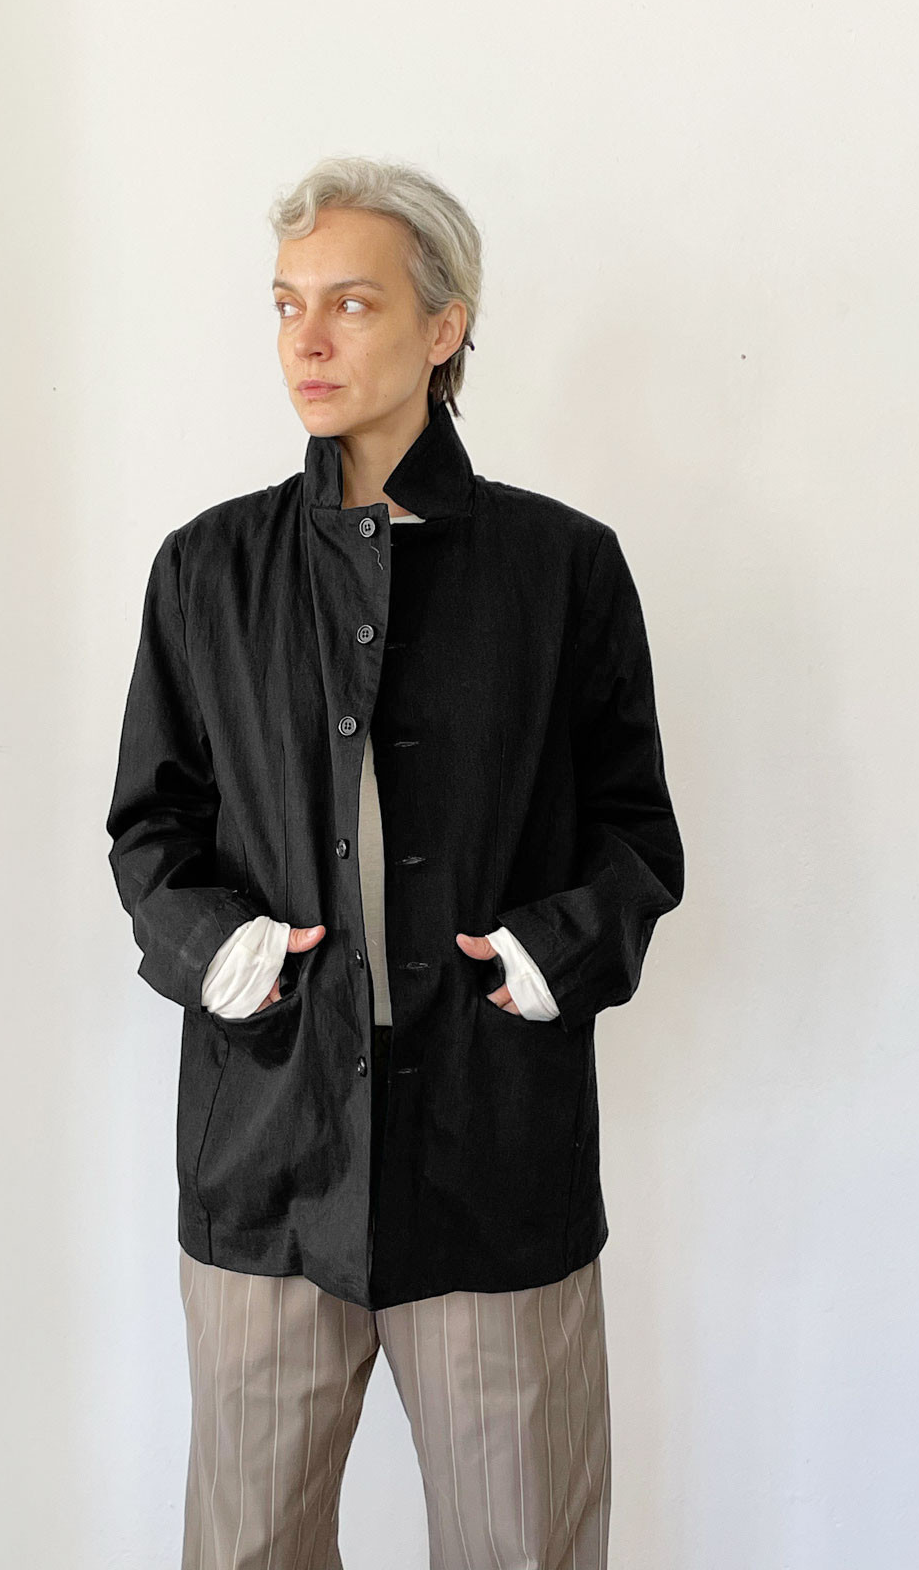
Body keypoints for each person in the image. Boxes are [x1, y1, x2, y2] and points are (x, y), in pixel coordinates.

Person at [106, 154, 684, 1570]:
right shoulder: (208, 570)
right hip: (268, 1160)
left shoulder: (564, 569)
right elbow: (150, 827)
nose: (306, 340)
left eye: (350, 303)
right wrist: (214, 950)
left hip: (492, 1158)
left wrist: (557, 953)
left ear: (443, 327)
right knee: (247, 1548)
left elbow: (636, 830)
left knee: (521, 1547)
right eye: (286, 304)